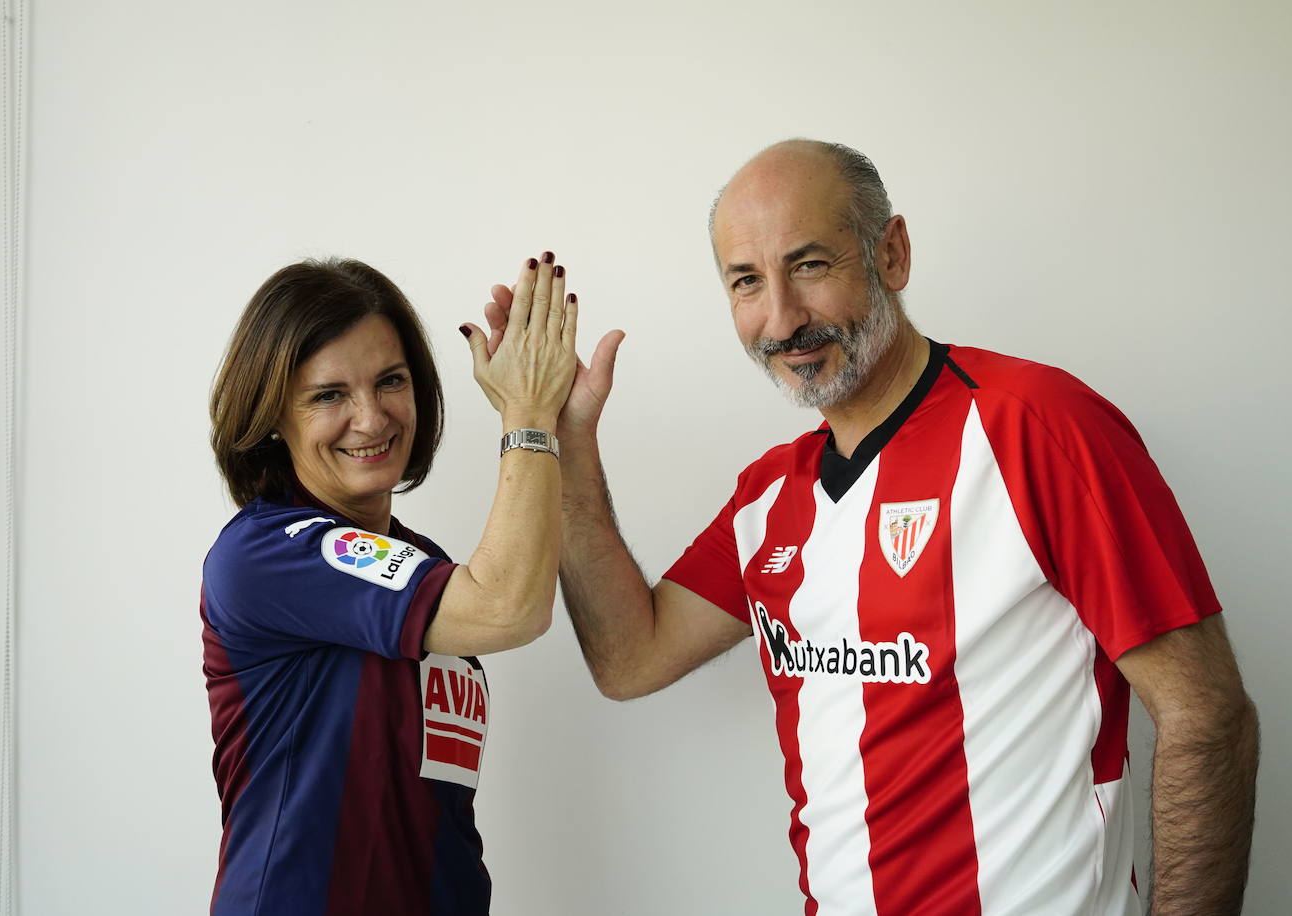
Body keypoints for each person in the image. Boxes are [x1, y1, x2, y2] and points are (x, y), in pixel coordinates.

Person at [488, 140, 1260, 913]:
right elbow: (630, 656)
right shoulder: (770, 498)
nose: (783, 318)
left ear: (891, 253)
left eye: (811, 265)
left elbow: (1208, 715)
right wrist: (570, 441)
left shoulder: (1036, 428)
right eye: (747, 282)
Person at [202, 253, 576, 915]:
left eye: (391, 381)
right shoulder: (265, 552)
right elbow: (509, 606)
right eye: (328, 395)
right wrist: (528, 415)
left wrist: (565, 423)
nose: (371, 418)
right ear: (272, 416)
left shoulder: (427, 568)